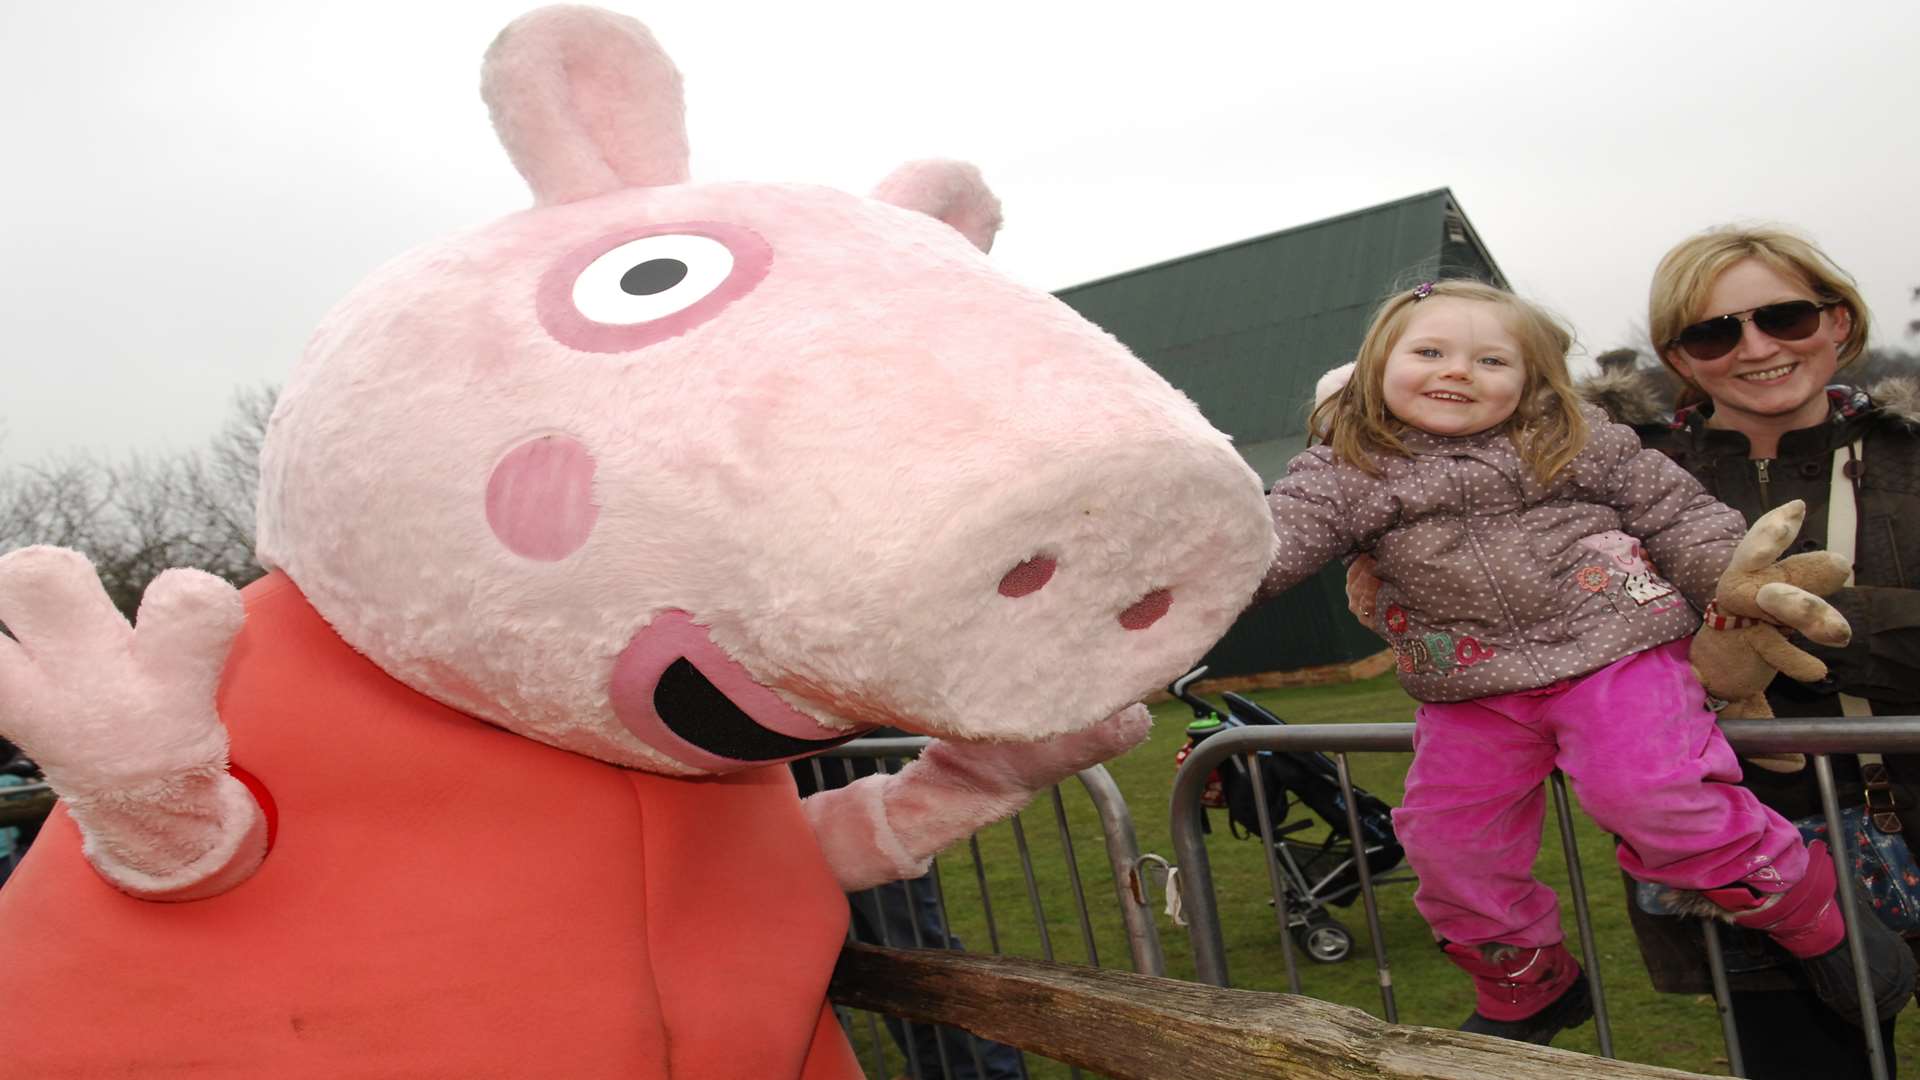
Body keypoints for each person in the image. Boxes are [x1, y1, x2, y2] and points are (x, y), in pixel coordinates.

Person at [1260, 278, 1915, 1047]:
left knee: (1651, 797)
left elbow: (1680, 516)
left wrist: (1737, 581)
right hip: (1469, 687)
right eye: (1429, 352)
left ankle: (1811, 910)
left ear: (1532, 378)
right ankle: (1527, 981)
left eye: (1491, 359)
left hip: (1615, 655)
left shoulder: (1576, 437)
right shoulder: (1345, 469)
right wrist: (1182, 579)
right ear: (1376, 367)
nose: (1458, 371)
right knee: (1446, 844)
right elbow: (1267, 548)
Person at [1614, 224, 1920, 1078]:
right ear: (1680, 355)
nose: (1755, 348)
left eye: (1784, 316)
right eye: (1714, 332)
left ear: (1837, 320)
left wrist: (1798, 620)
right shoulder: (1626, 484)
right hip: (1758, 854)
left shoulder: (1913, 454)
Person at [792, 742, 1028, 1080]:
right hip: (790, 817)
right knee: (844, 961)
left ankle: (980, 1071)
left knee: (910, 947)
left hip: (853, 800)